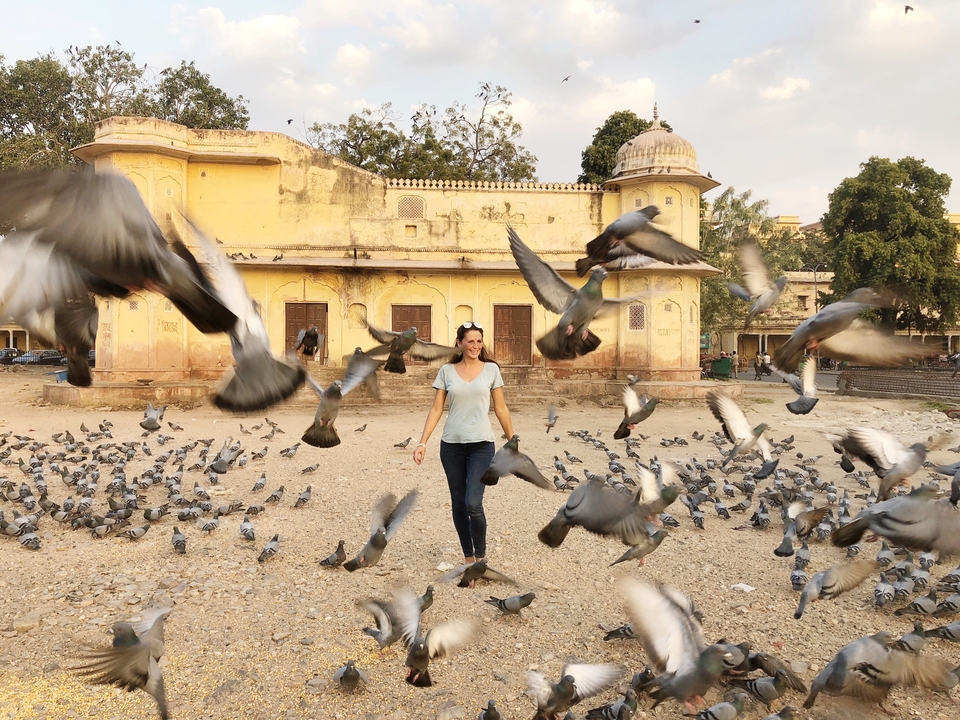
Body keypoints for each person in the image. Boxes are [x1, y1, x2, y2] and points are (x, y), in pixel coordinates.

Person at [413, 322, 513, 585]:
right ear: (459, 343)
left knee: (473, 503)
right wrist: (422, 442)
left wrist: (513, 442)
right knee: (458, 503)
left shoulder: (491, 370)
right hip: (451, 446)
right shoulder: (446, 371)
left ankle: (481, 559)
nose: (475, 346)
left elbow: (501, 408)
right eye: (470, 341)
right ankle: (469, 560)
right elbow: (436, 409)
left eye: (479, 341)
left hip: (482, 444)